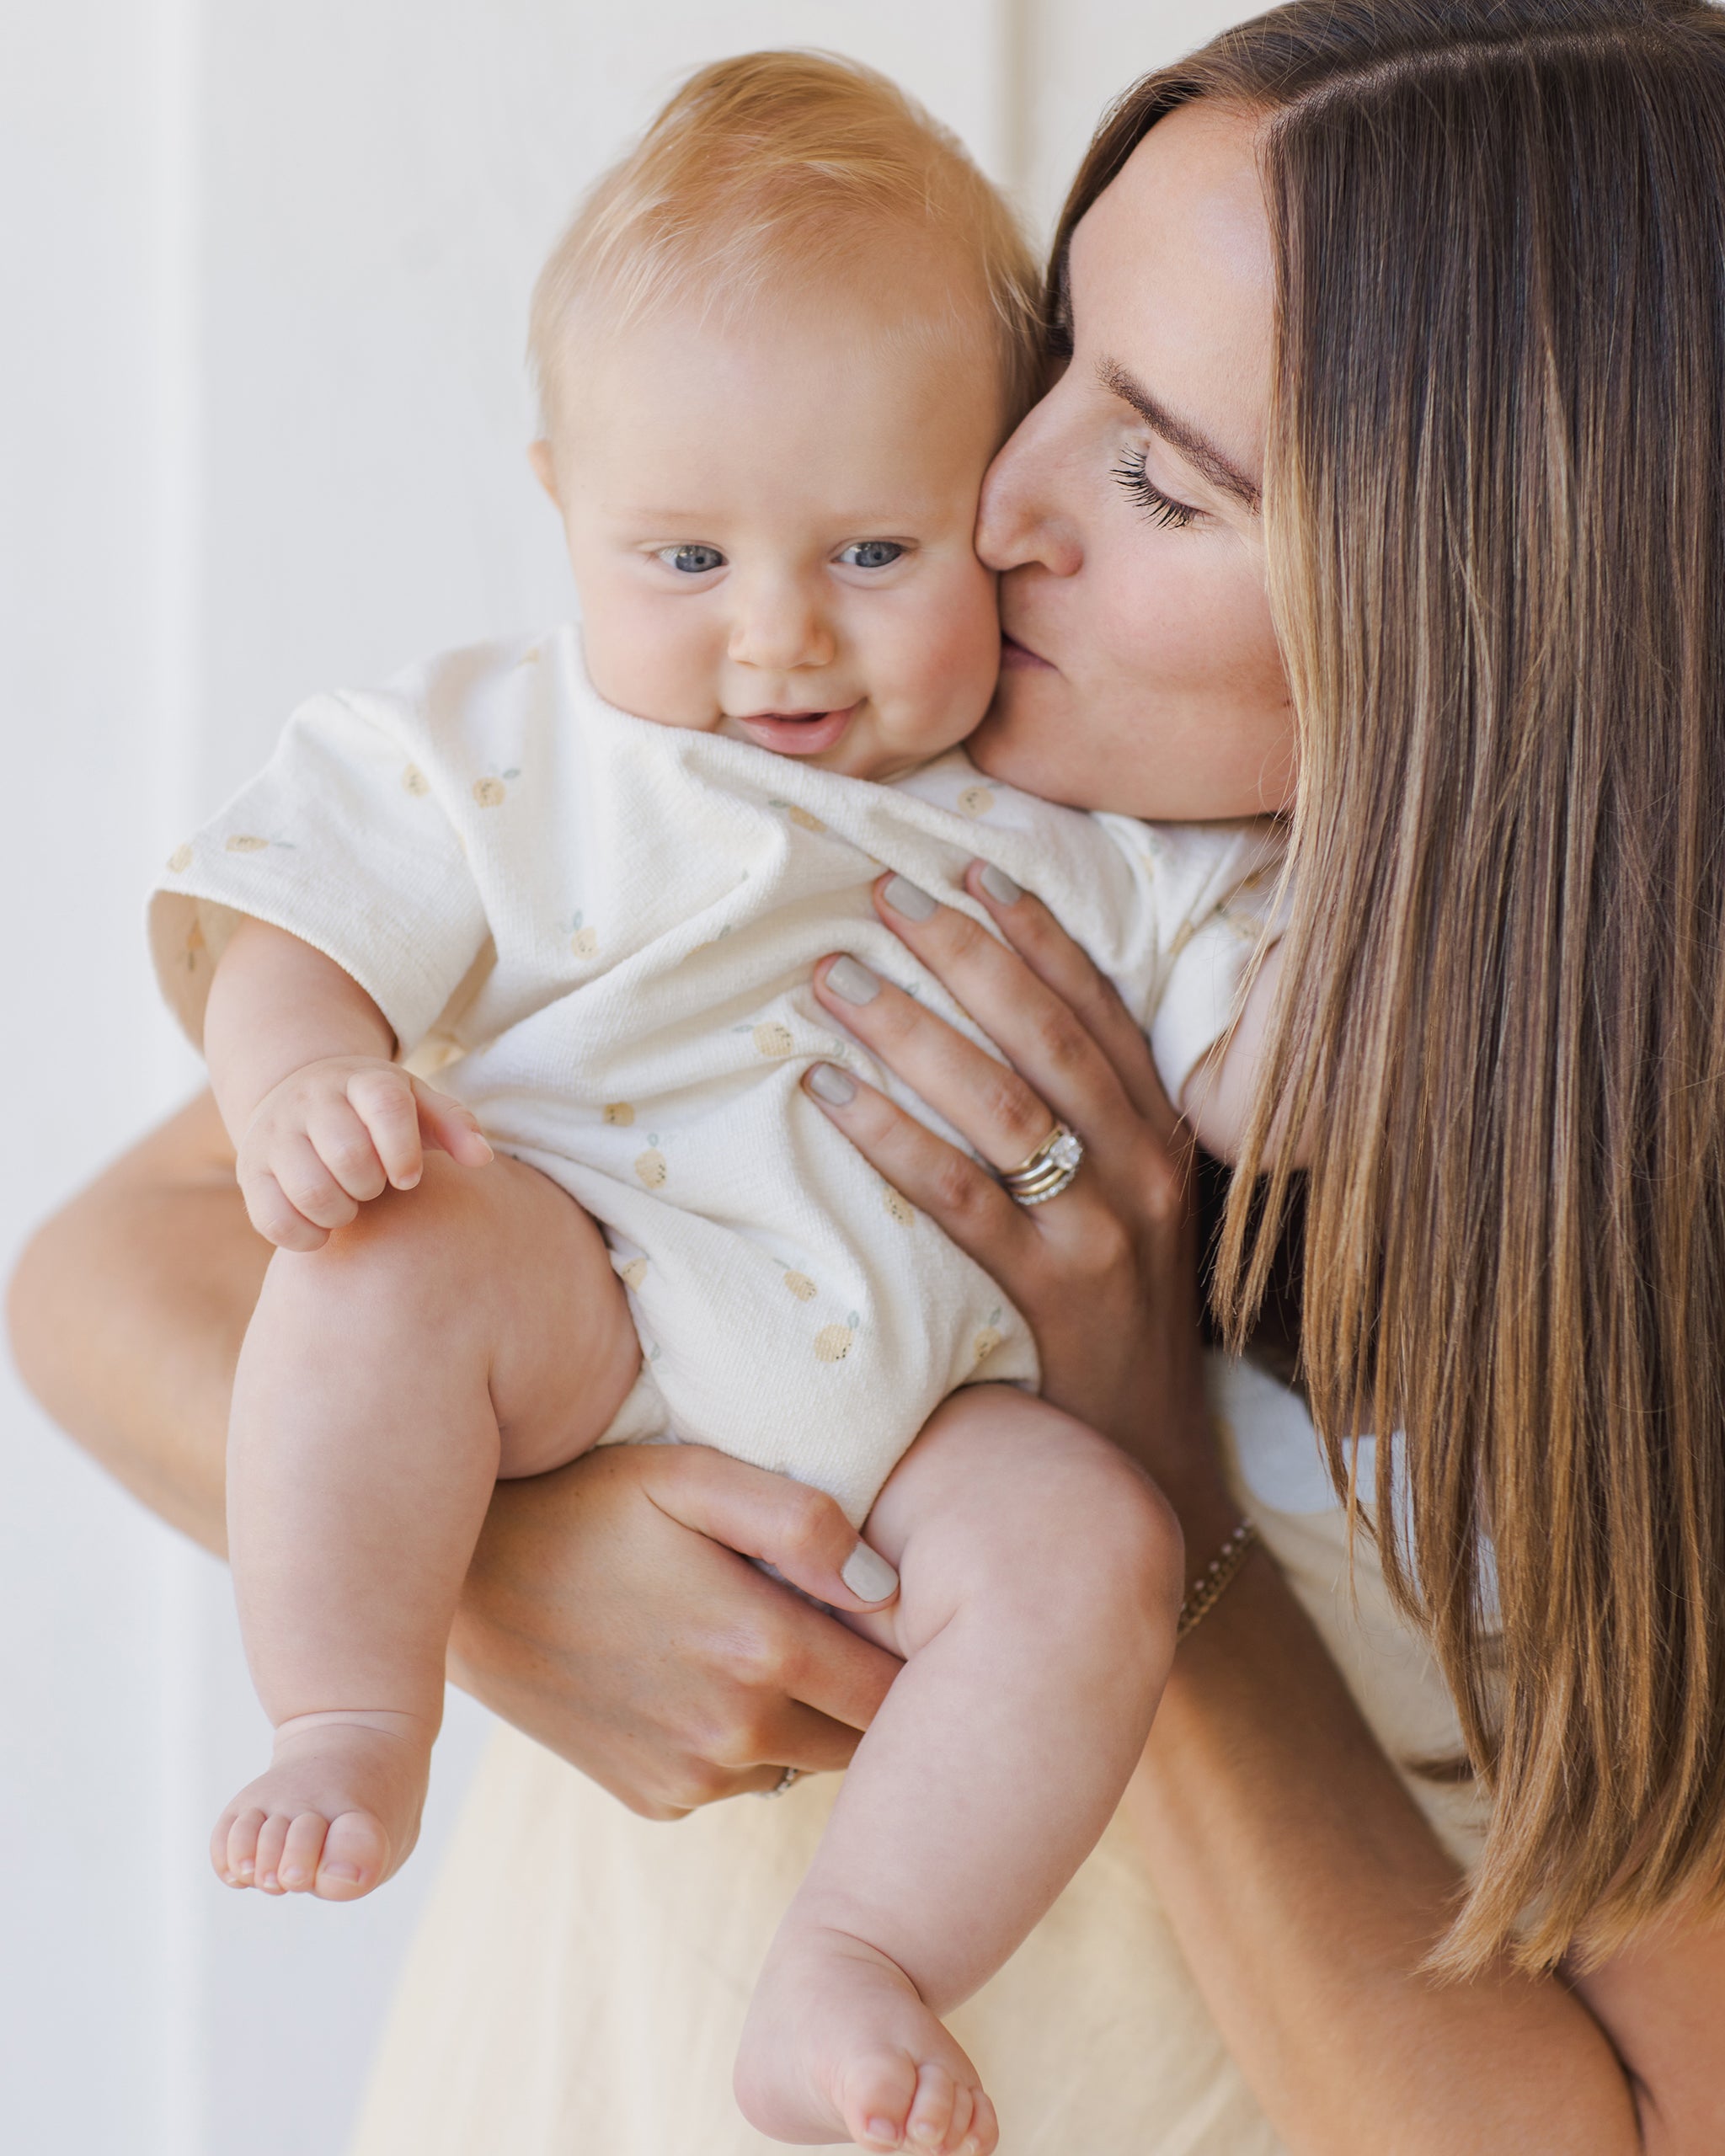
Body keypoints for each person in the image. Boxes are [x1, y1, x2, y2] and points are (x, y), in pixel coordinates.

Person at [13, 2, 1725, 2149]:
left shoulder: (1547, 1171)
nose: (993, 504)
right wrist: (522, 1573)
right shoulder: (763, 765)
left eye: (1153, 473)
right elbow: (105, 1271)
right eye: (1054, 360)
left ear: (1495, 620)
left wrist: (1153, 1467)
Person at [142, 51, 1287, 2155]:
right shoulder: (520, 741)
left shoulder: (1068, 802)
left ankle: (856, 1950)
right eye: (679, 556)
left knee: (1089, 1550)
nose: (777, 635)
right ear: (560, 496)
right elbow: (281, 904)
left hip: (941, 1418)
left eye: (872, 546)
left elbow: (1264, 1053)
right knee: (381, 1268)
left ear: (988, 506)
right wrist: (299, 1068)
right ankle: (345, 1703)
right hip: (584, 1303)